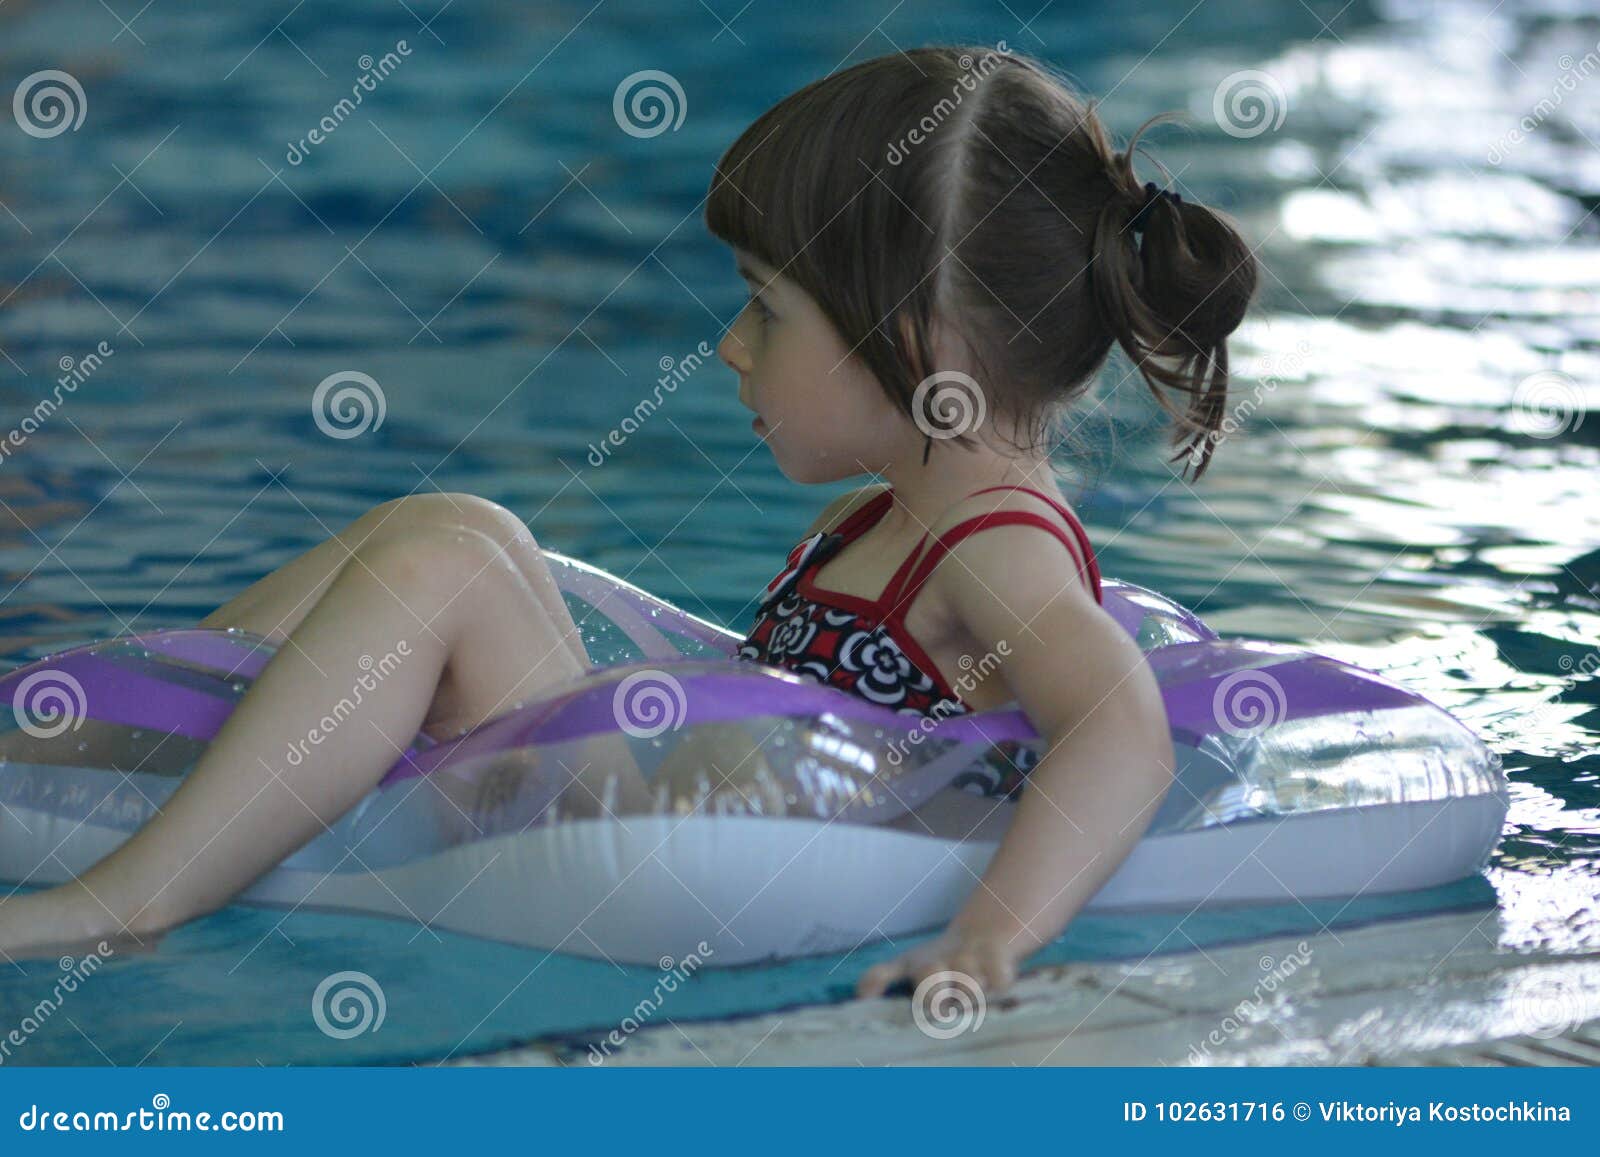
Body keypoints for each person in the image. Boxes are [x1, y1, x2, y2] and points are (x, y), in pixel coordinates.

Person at [0, 45, 1257, 1002]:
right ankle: (105, 730)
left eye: (767, 309)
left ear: (914, 344)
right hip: (641, 796)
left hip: (647, 843)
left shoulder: (993, 541)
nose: (728, 344)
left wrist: (987, 936)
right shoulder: (908, 515)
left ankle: (132, 889)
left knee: (453, 544)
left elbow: (1119, 724)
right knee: (452, 532)